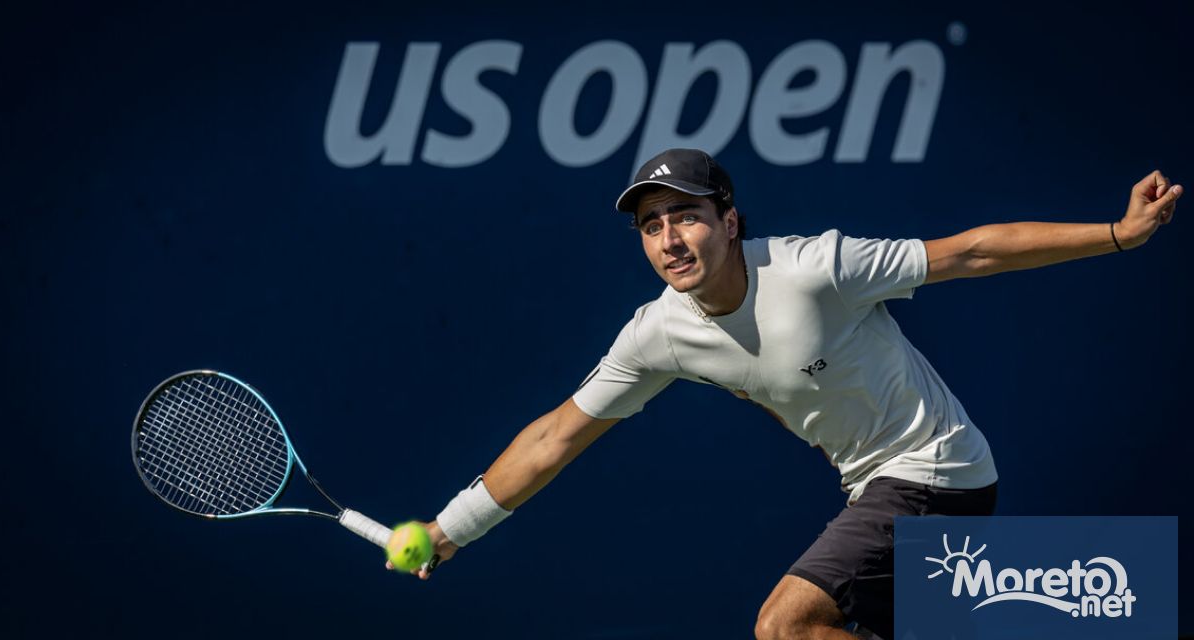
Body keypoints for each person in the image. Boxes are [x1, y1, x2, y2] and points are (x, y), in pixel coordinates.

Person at [389, 149, 1181, 639]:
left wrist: (1118, 234)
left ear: (729, 221)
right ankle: (1123, 588)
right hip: (880, 484)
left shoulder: (813, 269)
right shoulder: (656, 334)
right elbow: (556, 435)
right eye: (651, 225)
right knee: (1079, 595)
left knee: (788, 626)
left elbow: (969, 254)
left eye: (687, 217)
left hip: (932, 471)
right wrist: (452, 528)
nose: (669, 239)